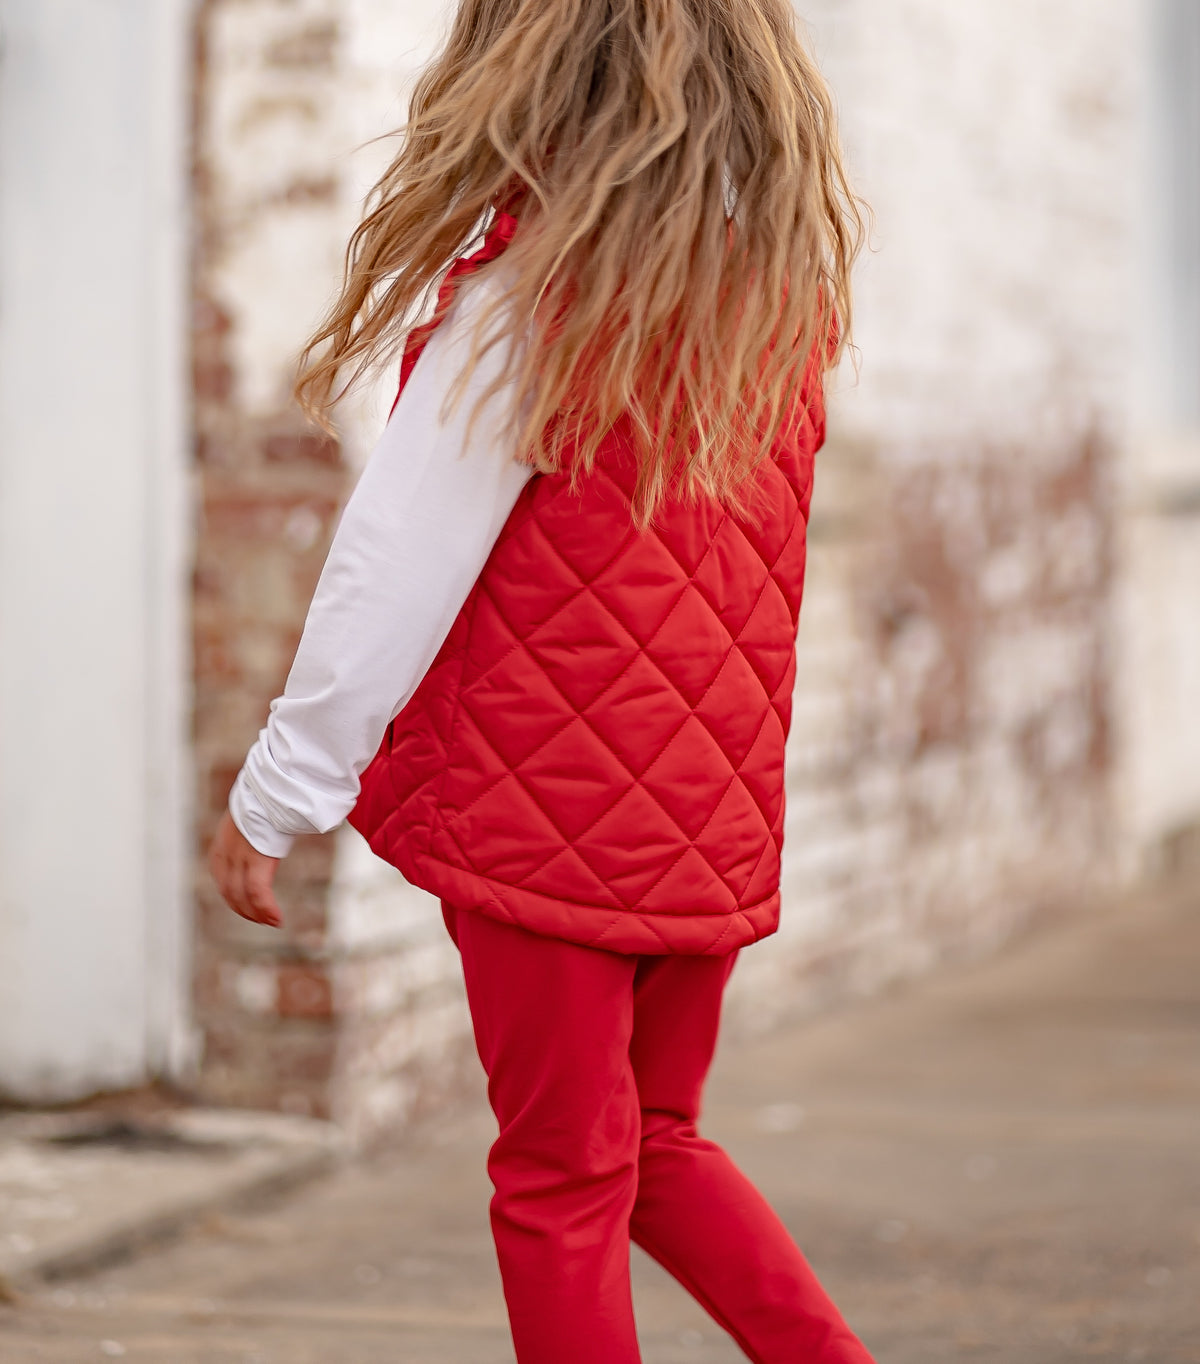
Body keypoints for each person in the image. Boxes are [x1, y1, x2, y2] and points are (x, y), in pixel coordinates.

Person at [208, 0, 871, 1359]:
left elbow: (395, 562)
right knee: (660, 1142)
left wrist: (282, 788)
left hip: (546, 819)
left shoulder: (529, 300)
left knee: (563, 1177)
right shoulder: (775, 299)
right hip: (704, 819)